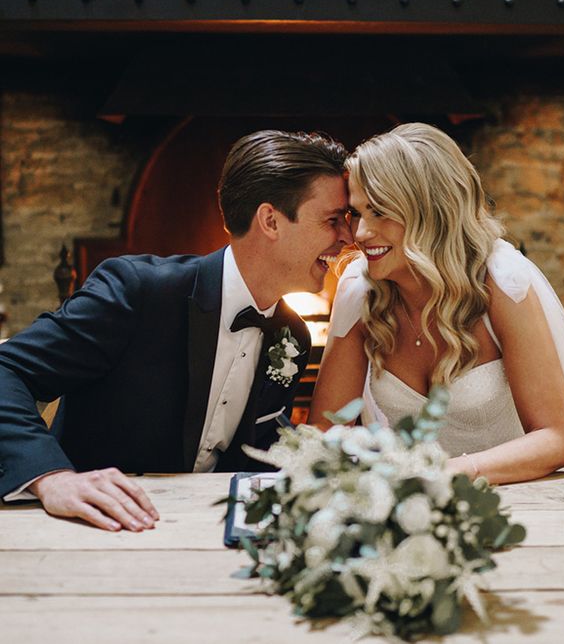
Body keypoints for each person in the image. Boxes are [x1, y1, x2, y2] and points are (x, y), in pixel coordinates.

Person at [0, 129, 353, 530]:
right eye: (332, 220)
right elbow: (6, 370)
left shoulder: (293, 337)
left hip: (207, 537)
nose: (347, 237)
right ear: (270, 220)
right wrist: (52, 479)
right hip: (89, 531)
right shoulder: (137, 292)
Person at [309, 123, 564, 483]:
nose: (361, 234)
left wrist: (451, 472)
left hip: (515, 500)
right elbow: (323, 434)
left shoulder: (501, 283)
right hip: (405, 513)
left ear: (430, 212)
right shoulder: (360, 290)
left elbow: (556, 438)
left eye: (380, 212)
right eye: (357, 213)